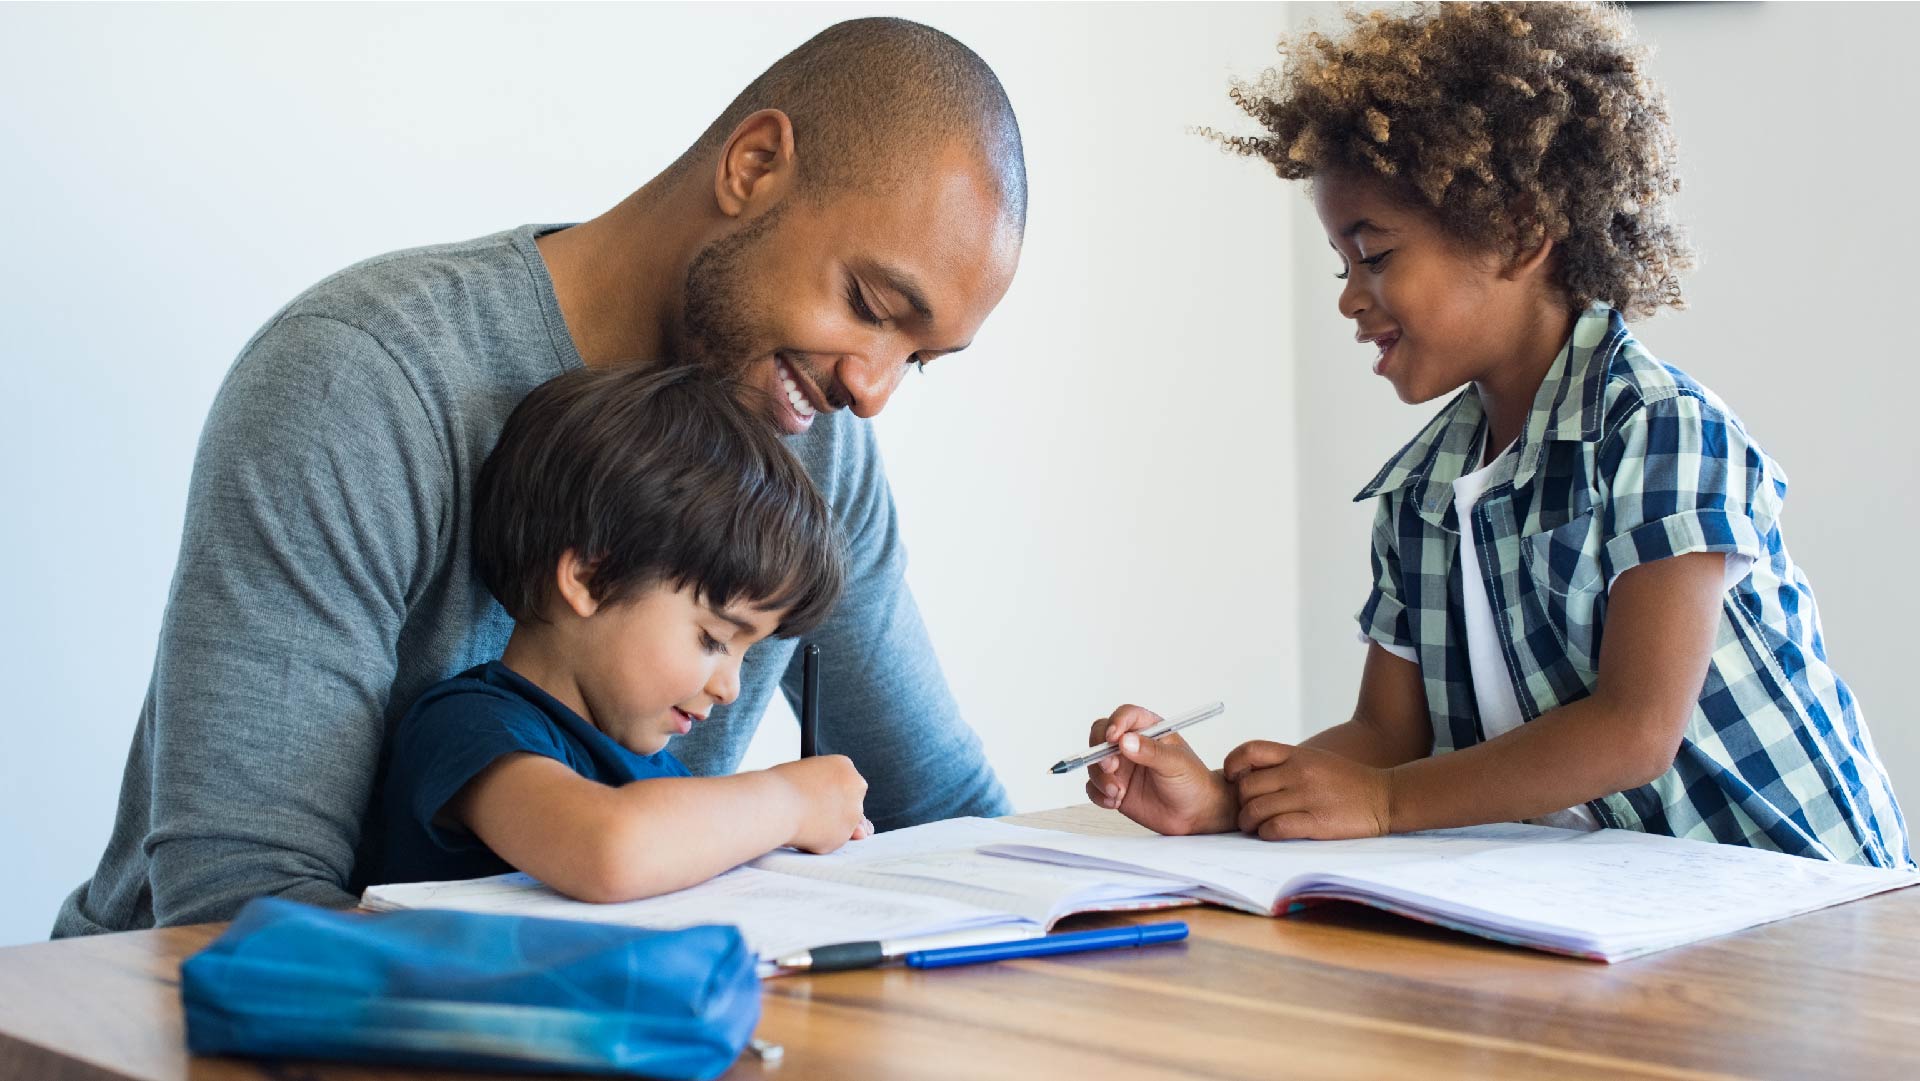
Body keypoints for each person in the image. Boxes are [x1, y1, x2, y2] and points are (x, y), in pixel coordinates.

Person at [57, 16, 1024, 936]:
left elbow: (948, 816)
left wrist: (1171, 833)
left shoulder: (813, 447)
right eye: (870, 304)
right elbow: (239, 905)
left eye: (919, 357)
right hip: (190, 1024)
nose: (873, 389)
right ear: (754, 166)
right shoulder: (362, 382)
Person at [1087, 1, 1910, 867]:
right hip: (1632, 918)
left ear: (1518, 235)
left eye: (1376, 255)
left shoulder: (1659, 431)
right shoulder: (1420, 495)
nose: (1349, 297)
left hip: (1811, 899)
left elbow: (1635, 730)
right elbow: (1385, 733)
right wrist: (1224, 798)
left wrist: (1387, 802)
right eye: (1342, 264)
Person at [374, 365, 868, 900]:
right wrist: (788, 802)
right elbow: (608, 851)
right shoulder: (470, 729)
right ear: (592, 579)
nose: (730, 688)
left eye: (745, 656)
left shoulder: (659, 776)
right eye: (714, 639)